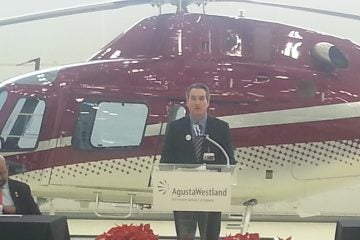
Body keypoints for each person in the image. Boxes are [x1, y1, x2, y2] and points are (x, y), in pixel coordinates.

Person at [160, 82, 235, 240]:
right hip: (183, 194)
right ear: (187, 102)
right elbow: (166, 161)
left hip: (212, 194)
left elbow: (229, 161)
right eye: (193, 98)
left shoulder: (221, 127)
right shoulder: (175, 128)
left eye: (201, 98)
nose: (197, 102)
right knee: (185, 236)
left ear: (208, 102)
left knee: (211, 236)